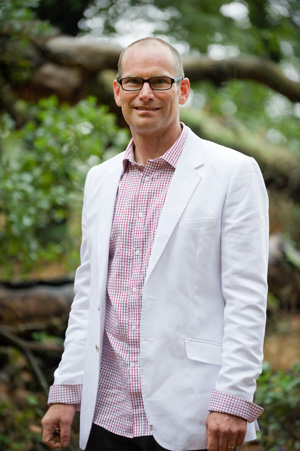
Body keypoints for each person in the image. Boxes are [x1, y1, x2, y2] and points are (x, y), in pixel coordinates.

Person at [41, 37, 269, 451]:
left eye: (159, 82)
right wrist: (66, 389)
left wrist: (234, 397)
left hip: (192, 412)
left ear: (182, 90)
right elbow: (89, 294)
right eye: (133, 82)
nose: (145, 94)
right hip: (106, 412)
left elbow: (247, 297)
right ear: (117, 92)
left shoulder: (233, 172)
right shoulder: (100, 179)